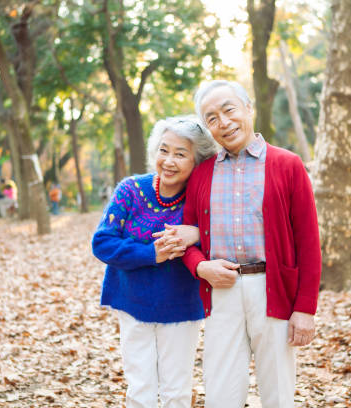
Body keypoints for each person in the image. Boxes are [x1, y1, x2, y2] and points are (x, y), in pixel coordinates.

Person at [175, 80, 321, 408]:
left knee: (278, 395)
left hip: (274, 291)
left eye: (229, 110)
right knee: (221, 395)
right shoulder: (201, 174)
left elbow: (309, 242)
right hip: (221, 292)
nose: (223, 122)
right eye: (211, 118)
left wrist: (305, 308)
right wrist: (201, 266)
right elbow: (187, 237)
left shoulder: (288, 165)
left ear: (248, 109)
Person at [92, 116, 218, 408]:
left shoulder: (201, 199)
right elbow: (103, 242)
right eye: (164, 150)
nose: (169, 160)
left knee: (176, 390)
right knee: (140, 389)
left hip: (181, 306)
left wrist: (196, 233)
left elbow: (219, 239)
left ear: (197, 161)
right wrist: (152, 253)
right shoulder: (130, 190)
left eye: (180, 153)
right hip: (133, 303)